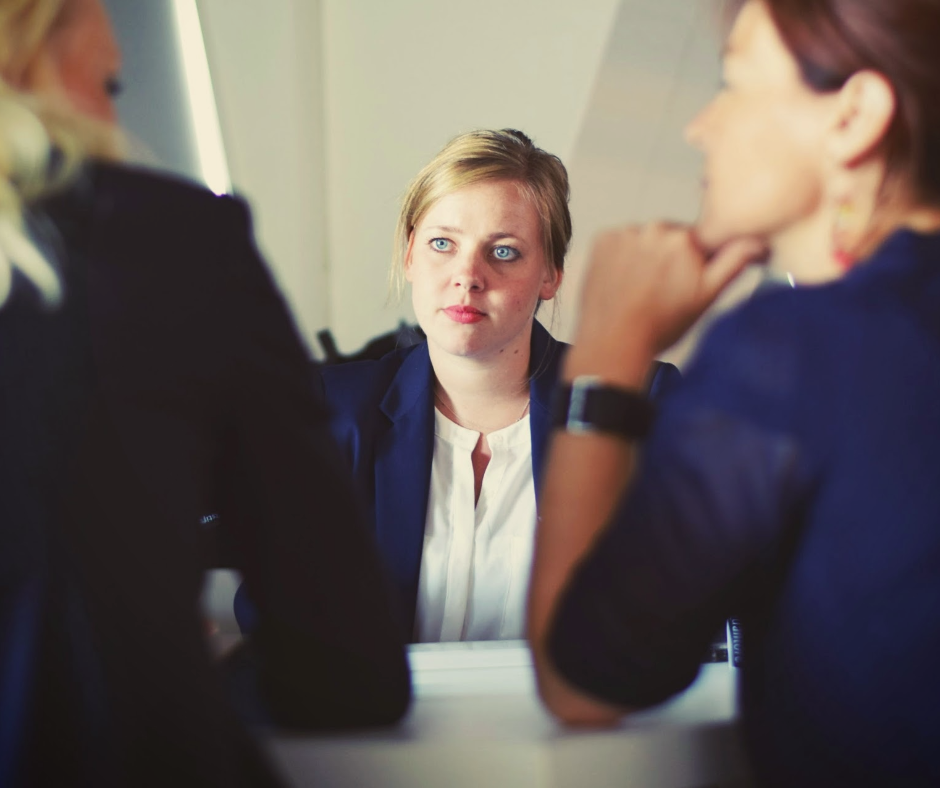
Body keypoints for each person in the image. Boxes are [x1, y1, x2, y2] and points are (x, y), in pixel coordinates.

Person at [528, 0, 940, 786]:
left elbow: (581, 679)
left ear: (853, 116)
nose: (701, 127)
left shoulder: (791, 353)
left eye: (735, 84)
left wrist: (608, 351)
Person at [0, 1, 409, 787]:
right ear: (31, 59)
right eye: (110, 84)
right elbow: (346, 667)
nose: (113, 119)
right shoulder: (174, 245)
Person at [316, 129, 678, 642]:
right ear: (410, 256)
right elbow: (275, 622)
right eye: (443, 244)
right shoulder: (333, 412)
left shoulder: (638, 403)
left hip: (571, 721)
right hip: (382, 722)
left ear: (550, 275)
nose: (467, 276)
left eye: (504, 252)